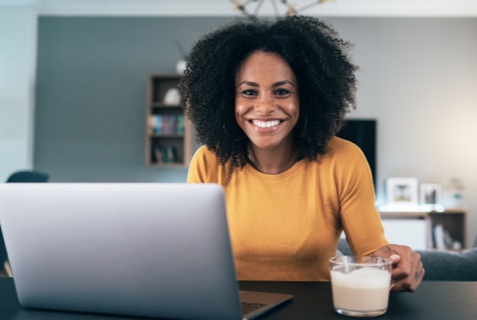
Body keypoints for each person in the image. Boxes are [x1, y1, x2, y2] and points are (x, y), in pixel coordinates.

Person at [182, 15, 424, 292]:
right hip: (232, 308)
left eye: (282, 91)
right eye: (249, 92)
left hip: (317, 309)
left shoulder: (344, 160)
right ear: (227, 99)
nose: (264, 108)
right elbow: (195, 261)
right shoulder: (209, 161)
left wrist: (394, 264)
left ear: (307, 97)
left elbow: (371, 257)